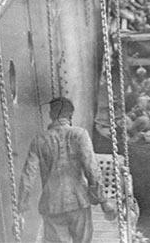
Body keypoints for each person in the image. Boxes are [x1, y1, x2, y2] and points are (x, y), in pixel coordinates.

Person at [18, 97, 117, 243]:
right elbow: (92, 169)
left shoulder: (39, 140)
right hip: (78, 201)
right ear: (70, 116)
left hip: (52, 205)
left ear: (51, 115)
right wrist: (103, 201)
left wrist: (21, 207)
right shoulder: (79, 134)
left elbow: (28, 175)